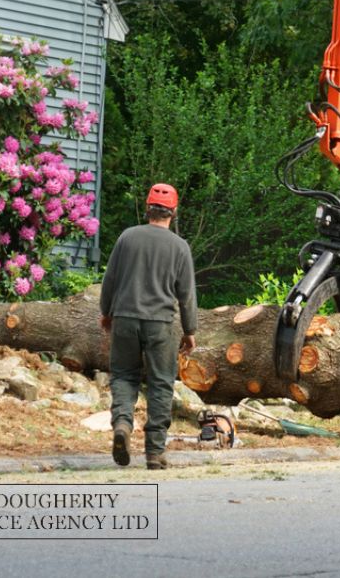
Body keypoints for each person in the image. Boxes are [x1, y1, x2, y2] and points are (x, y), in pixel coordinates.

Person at [100, 183, 197, 470]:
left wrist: (106, 312)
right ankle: (154, 453)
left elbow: (110, 280)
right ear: (174, 212)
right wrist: (190, 331)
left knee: (123, 376)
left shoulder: (127, 238)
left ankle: (122, 425)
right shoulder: (180, 247)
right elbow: (187, 294)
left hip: (126, 319)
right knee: (160, 383)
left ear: (147, 208)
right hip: (161, 324)